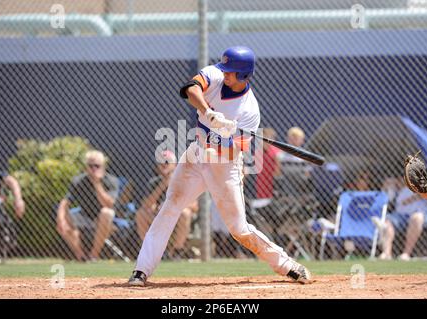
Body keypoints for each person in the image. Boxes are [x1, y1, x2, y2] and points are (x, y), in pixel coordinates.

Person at [128, 46, 311, 286]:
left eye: (231, 72)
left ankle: (287, 265)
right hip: (196, 155)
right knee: (170, 207)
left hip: (224, 166)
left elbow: (234, 150)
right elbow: (190, 89)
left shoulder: (249, 111)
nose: (225, 74)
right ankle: (141, 271)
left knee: (239, 229)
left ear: (244, 76)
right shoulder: (215, 74)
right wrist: (208, 113)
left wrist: (221, 140)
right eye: (224, 69)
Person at [126, 150, 198, 259]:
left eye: (166, 162)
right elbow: (146, 206)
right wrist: (163, 185)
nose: (163, 165)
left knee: (185, 213)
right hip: (160, 217)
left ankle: (177, 251)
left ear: (175, 165)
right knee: (141, 214)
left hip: (177, 219)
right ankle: (151, 251)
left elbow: (194, 206)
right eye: (160, 163)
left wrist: (173, 207)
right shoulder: (155, 182)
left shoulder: (183, 180)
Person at [56, 150, 119, 261]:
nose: (93, 168)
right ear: (86, 166)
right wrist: (61, 218)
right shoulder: (79, 180)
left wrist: (96, 183)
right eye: (90, 166)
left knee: (106, 212)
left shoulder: (111, 180)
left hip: (106, 220)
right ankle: (81, 256)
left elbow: (108, 204)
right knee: (64, 216)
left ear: (103, 166)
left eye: (97, 166)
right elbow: (65, 201)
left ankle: (93, 255)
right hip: (85, 216)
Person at [378, 178, 427, 261]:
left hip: (420, 214)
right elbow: (386, 191)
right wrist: (391, 183)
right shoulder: (401, 187)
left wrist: (411, 199)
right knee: (387, 220)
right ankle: (386, 253)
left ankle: (406, 253)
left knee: (416, 218)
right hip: (401, 215)